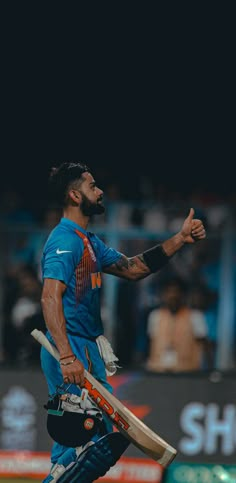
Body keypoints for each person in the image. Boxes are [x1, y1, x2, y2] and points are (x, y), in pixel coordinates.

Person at [39, 161, 206, 483]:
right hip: (72, 347)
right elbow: (49, 297)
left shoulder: (87, 240)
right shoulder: (66, 240)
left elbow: (134, 269)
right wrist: (66, 355)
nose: (100, 191)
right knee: (77, 451)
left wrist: (180, 239)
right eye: (92, 186)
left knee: (91, 449)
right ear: (75, 196)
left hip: (84, 349)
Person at [145, 276, 213, 373]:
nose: (173, 295)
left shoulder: (195, 317)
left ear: (183, 295)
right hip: (158, 371)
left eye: (176, 292)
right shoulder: (155, 316)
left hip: (187, 373)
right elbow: (152, 344)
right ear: (163, 295)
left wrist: (210, 373)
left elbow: (205, 346)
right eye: (168, 292)